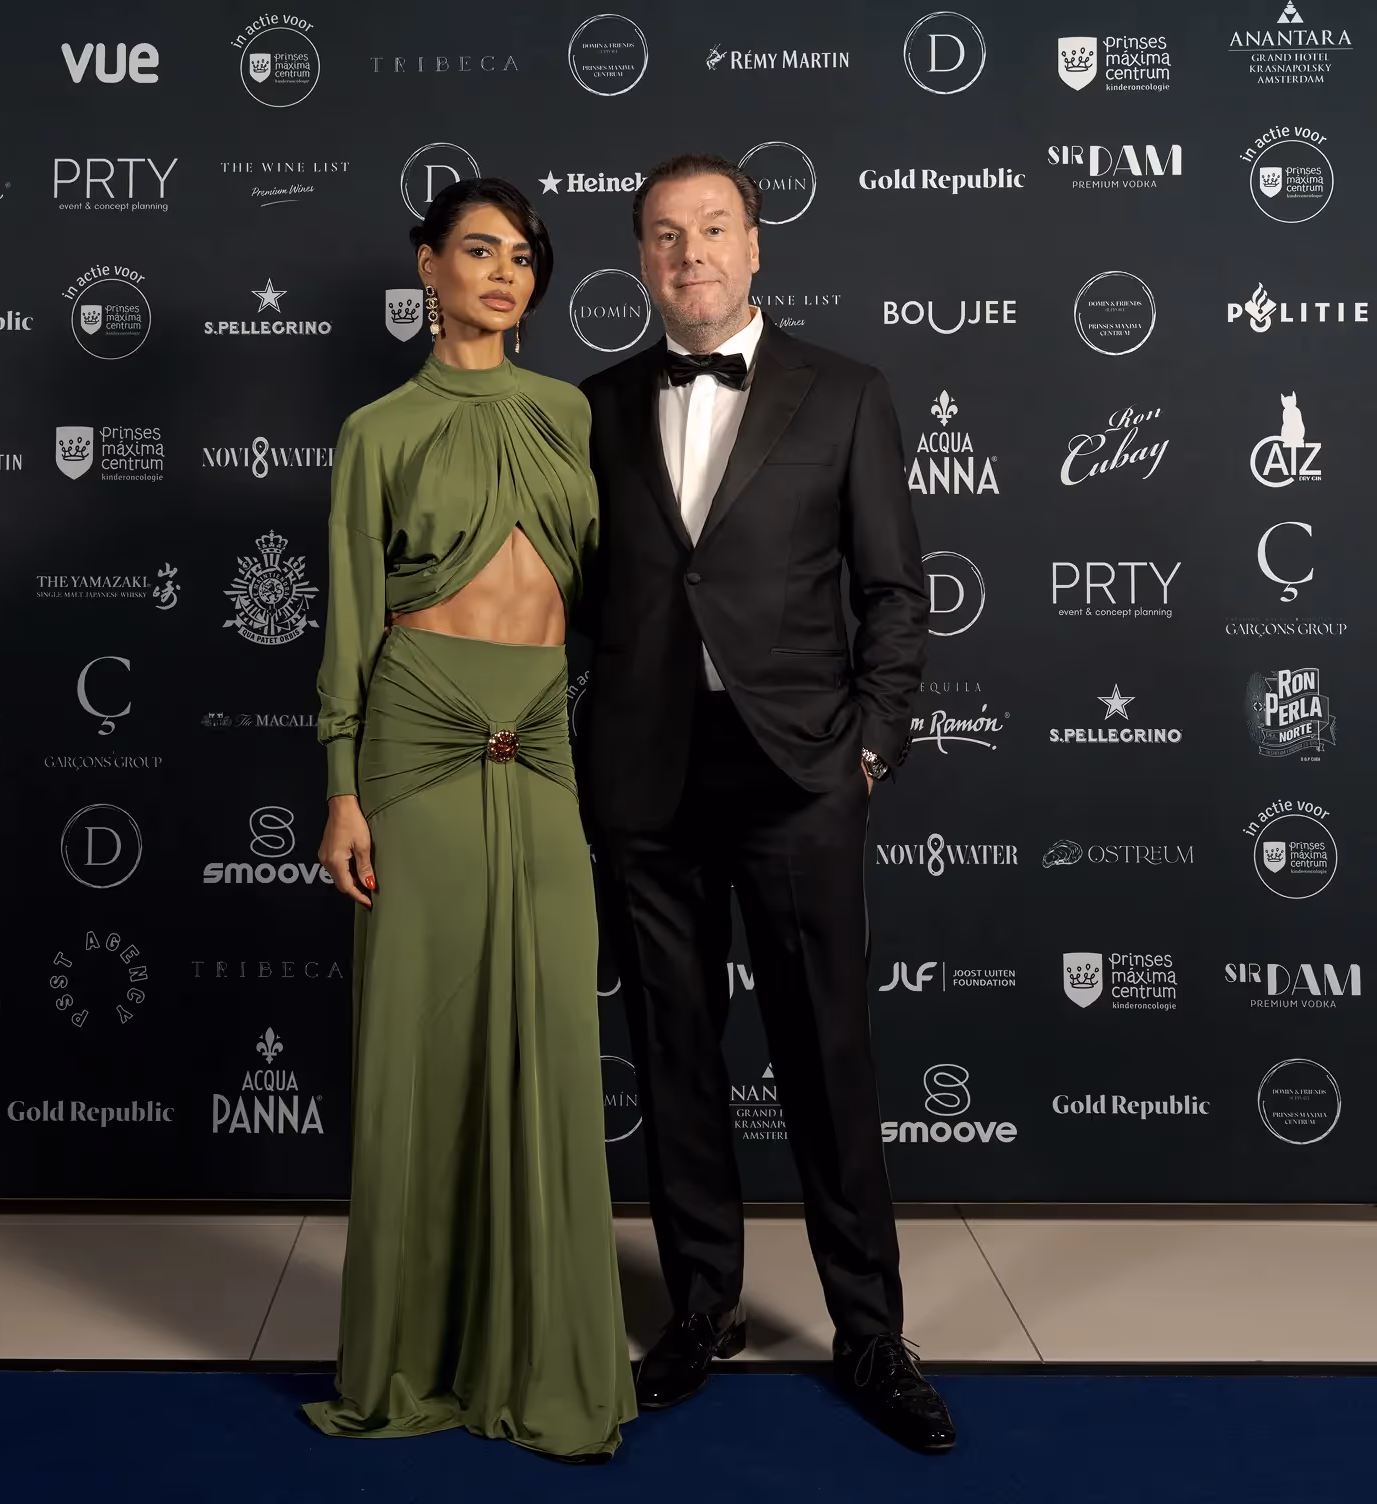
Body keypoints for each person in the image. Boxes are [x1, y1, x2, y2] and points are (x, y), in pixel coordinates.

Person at [577, 153, 953, 1454]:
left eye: (713, 229)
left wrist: (871, 747)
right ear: (641, 261)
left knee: (826, 1058)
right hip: (645, 777)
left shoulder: (845, 393)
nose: (689, 253)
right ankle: (700, 1309)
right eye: (663, 235)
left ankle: (871, 1330)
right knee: (674, 1054)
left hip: (798, 774)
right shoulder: (594, 406)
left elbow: (894, 591)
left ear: (755, 247)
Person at [304, 177, 634, 1461]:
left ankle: (538, 1354)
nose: (505, 274)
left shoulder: (568, 413)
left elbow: (612, 590)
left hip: (540, 733)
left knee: (547, 1033)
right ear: (427, 265)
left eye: (524, 257)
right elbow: (349, 608)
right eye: (480, 251)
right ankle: (407, 1359)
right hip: (416, 734)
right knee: (419, 1041)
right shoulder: (376, 430)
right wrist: (341, 784)